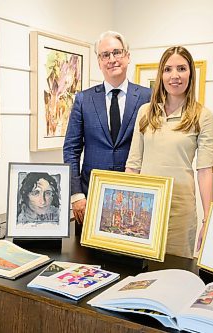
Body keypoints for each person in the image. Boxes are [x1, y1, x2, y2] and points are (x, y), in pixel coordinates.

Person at [125, 46, 213, 258]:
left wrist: (208, 218)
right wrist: (127, 212)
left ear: (190, 74)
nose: (174, 76)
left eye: (181, 68)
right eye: (168, 69)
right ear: (161, 75)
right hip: (144, 211)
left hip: (180, 211)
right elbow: (132, 166)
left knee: (177, 275)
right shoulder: (145, 112)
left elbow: (205, 170)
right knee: (142, 275)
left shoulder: (202, 116)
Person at [63, 31, 151, 225]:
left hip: (135, 198)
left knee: (131, 254)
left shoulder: (148, 97)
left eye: (117, 52)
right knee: (86, 254)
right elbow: (71, 149)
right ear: (99, 62)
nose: (112, 59)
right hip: (91, 197)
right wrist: (76, 194)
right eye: (105, 55)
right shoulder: (83, 99)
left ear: (127, 56)